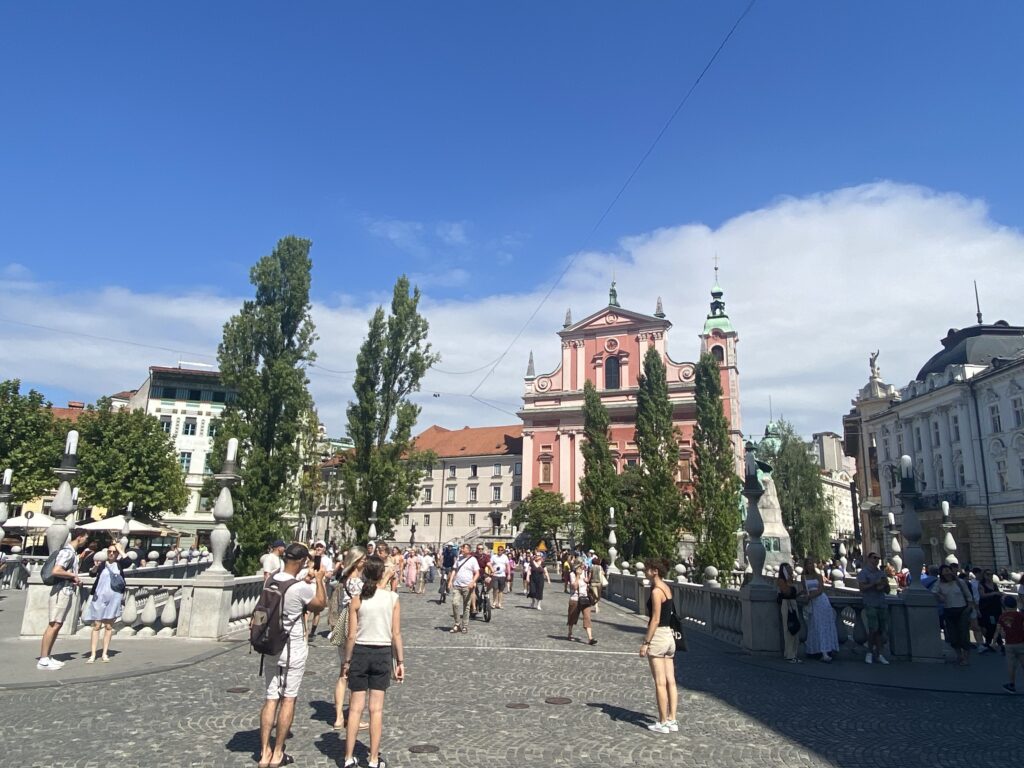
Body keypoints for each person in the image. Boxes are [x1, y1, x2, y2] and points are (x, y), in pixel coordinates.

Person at [257, 543, 326, 768]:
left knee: (270, 698)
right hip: (292, 648)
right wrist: (319, 579)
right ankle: (278, 753)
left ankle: (263, 752)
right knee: (288, 699)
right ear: (300, 562)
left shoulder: (272, 581)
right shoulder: (299, 588)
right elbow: (319, 604)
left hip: (270, 648)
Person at [342, 555, 404, 768]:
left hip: (360, 652)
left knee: (355, 709)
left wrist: (347, 662)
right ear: (382, 575)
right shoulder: (392, 598)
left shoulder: (357, 599)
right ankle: (374, 759)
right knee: (376, 710)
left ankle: (349, 757)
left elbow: (351, 636)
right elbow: (396, 634)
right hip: (382, 654)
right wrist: (400, 661)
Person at [37, 527, 90, 670]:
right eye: (85, 537)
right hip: (61, 592)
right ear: (79, 537)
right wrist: (73, 576)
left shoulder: (71, 552)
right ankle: (43, 659)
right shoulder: (67, 552)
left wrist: (74, 576)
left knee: (57, 624)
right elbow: (56, 570)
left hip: (65, 590)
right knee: (54, 624)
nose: (86, 541)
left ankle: (47, 656)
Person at [330, 547, 368, 732]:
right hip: (354, 626)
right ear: (356, 561)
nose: (365, 562)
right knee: (355, 673)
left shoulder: (344, 579)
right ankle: (353, 716)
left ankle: (338, 716)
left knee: (342, 673)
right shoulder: (356, 582)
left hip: (343, 625)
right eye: (363, 560)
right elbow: (358, 606)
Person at [639, 559, 678, 734]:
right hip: (670, 637)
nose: (645, 571)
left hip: (659, 636)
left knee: (660, 682)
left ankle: (662, 722)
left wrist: (646, 642)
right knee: (671, 681)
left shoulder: (656, 591)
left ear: (654, 571)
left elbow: (655, 619)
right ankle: (672, 719)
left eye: (647, 569)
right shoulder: (667, 588)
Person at [82, 541, 133, 663]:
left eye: (113, 552)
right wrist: (95, 567)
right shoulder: (102, 564)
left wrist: (120, 549)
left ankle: (104, 653)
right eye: (109, 551)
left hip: (114, 598)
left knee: (109, 626)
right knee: (97, 626)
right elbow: (91, 574)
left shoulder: (120, 564)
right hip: (99, 598)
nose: (111, 554)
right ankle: (93, 654)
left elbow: (129, 562)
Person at [930, 564, 975, 666]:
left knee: (964, 634)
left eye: (948, 570)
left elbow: (968, 595)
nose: (947, 572)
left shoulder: (960, 582)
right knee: (953, 635)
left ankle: (966, 657)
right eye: (944, 570)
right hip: (949, 610)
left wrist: (969, 608)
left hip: (962, 609)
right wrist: (939, 595)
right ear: (941, 573)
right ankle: (959, 655)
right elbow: (933, 592)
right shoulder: (939, 583)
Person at [856, 552, 891, 665]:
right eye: (874, 558)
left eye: (878, 558)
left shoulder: (881, 573)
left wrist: (885, 585)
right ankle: (870, 652)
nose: (877, 560)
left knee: (881, 630)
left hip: (881, 603)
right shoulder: (863, 573)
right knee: (873, 628)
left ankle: (879, 654)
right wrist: (874, 583)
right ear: (869, 559)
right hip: (870, 603)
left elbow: (887, 591)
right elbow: (862, 588)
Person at [802, 560, 839, 663]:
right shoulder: (803, 577)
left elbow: (821, 589)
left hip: (821, 601)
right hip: (813, 603)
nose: (809, 566)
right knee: (815, 625)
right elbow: (805, 589)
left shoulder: (818, 575)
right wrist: (806, 595)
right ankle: (816, 649)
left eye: (811, 564)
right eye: (808, 564)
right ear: (805, 566)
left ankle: (826, 650)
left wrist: (810, 596)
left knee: (824, 625)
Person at [993, 596, 1023, 693]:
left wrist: (993, 642)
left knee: (1011, 665)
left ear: (1004, 606)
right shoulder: (1020, 615)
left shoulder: (1002, 617)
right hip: (1021, 643)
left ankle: (1011, 685)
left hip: (1009, 644)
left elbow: (997, 631)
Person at [448, 543, 479, 633]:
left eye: (463, 548)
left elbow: (477, 573)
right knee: (455, 603)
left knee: (466, 607)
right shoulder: (459, 558)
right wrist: (450, 581)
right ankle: (457, 624)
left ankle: (465, 625)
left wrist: (473, 582)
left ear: (468, 550)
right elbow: (454, 569)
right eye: (461, 548)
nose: (461, 549)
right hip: (457, 585)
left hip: (467, 586)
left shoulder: (473, 560)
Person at [776, 562, 802, 663]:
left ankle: (794, 653)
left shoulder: (791, 579)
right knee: (788, 628)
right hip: (786, 604)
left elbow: (794, 593)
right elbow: (786, 592)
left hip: (793, 603)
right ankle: (789, 654)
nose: (791, 569)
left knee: (796, 628)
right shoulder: (782, 580)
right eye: (788, 568)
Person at [304, 541, 329, 641]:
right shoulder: (308, 561)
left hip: (319, 585)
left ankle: (312, 632)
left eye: (321, 547)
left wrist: (322, 576)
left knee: (317, 611)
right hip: (309, 586)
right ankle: (305, 632)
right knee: (306, 611)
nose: (318, 549)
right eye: (317, 547)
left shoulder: (326, 561)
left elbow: (328, 574)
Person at [567, 562, 596, 644]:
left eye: (584, 566)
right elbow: (574, 586)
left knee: (587, 617)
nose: (583, 567)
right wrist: (577, 576)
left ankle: (590, 638)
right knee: (572, 617)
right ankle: (570, 633)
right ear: (577, 566)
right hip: (575, 598)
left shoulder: (585, 572)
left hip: (585, 599)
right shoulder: (572, 574)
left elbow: (587, 581)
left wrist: (588, 578)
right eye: (582, 566)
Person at [977, 569, 1004, 653]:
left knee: (997, 625)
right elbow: (982, 596)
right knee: (992, 625)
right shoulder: (982, 585)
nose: (990, 576)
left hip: (996, 607)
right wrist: (993, 593)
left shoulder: (994, 584)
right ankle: (997, 643)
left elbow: (998, 593)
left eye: (991, 574)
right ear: (984, 575)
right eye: (988, 574)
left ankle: (991, 643)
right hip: (988, 609)